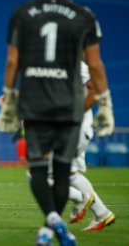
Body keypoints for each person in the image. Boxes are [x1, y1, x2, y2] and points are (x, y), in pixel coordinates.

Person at [0, 0, 114, 245]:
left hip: (36, 105)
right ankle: (51, 230)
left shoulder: (23, 13)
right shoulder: (84, 16)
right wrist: (105, 103)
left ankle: (54, 223)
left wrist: (10, 98)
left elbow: (13, 62)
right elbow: (95, 65)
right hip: (69, 108)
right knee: (62, 172)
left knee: (37, 171)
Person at [66, 61, 115, 231]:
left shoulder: (76, 65)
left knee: (40, 174)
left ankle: (81, 198)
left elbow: (94, 84)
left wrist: (105, 106)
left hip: (75, 127)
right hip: (65, 127)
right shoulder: (50, 63)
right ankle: (102, 214)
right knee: (68, 173)